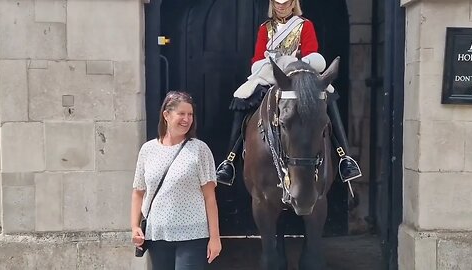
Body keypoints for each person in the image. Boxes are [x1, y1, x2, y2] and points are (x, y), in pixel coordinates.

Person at [216, 0, 362, 186]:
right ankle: (230, 161)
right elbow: (258, 56)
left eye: (285, 3)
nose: (281, 7)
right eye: (277, 3)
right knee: (242, 96)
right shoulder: (265, 28)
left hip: (299, 73)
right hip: (270, 74)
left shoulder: (305, 25)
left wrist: (296, 62)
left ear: (294, 4)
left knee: (327, 94)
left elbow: (311, 52)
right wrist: (272, 62)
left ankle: (344, 158)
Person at [131, 91, 222, 270]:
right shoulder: (147, 150)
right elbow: (138, 191)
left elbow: (210, 198)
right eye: (181, 114)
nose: (187, 119)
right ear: (166, 115)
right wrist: (134, 226)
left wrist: (215, 238)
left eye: (190, 114)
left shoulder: (199, 150)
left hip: (192, 234)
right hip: (157, 234)